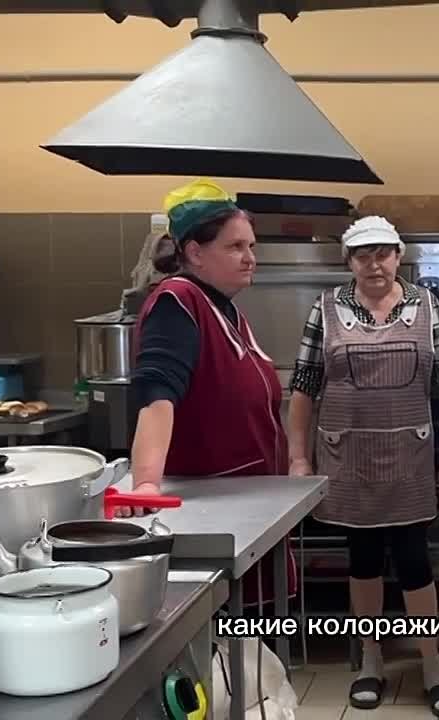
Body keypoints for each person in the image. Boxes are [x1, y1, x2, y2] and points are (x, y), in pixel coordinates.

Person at [286, 215, 439, 718]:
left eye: (383, 253)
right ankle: (370, 658)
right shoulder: (325, 309)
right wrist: (298, 456)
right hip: (347, 458)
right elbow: (303, 386)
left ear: (398, 256)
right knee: (363, 558)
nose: (375, 264)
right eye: (363, 255)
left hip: (410, 456)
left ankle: (432, 664)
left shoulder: (427, 305)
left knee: (413, 560)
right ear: (349, 261)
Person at [121, 178, 296, 611]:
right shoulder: (178, 300)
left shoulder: (225, 308)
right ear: (195, 252)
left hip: (245, 505)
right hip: (211, 512)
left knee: (253, 640)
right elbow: (156, 394)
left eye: (251, 246)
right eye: (235, 247)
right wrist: (146, 484)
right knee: (225, 640)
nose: (250, 257)